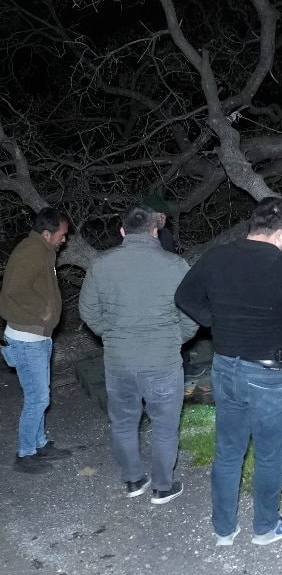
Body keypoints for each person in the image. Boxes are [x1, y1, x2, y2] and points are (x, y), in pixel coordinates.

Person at [175, 197, 282, 546]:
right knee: (269, 455)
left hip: (226, 367)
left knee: (228, 451)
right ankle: (265, 528)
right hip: (269, 375)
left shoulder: (216, 257)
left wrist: (216, 323)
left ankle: (224, 529)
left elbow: (184, 296)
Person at [79, 205, 197, 504]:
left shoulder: (100, 265)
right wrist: (176, 338)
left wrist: (111, 335)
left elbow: (88, 311)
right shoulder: (175, 265)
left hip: (119, 361)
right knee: (165, 426)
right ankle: (162, 486)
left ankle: (133, 480)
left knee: (123, 422)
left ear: (122, 231)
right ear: (155, 231)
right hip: (162, 360)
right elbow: (193, 312)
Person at [0, 207, 72, 474]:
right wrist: (44, 310)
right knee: (37, 398)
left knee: (40, 395)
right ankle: (25, 453)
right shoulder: (31, 251)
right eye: (62, 234)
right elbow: (14, 290)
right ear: (46, 233)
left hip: (36, 337)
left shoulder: (43, 250)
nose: (64, 239)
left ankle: (39, 443)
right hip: (26, 339)